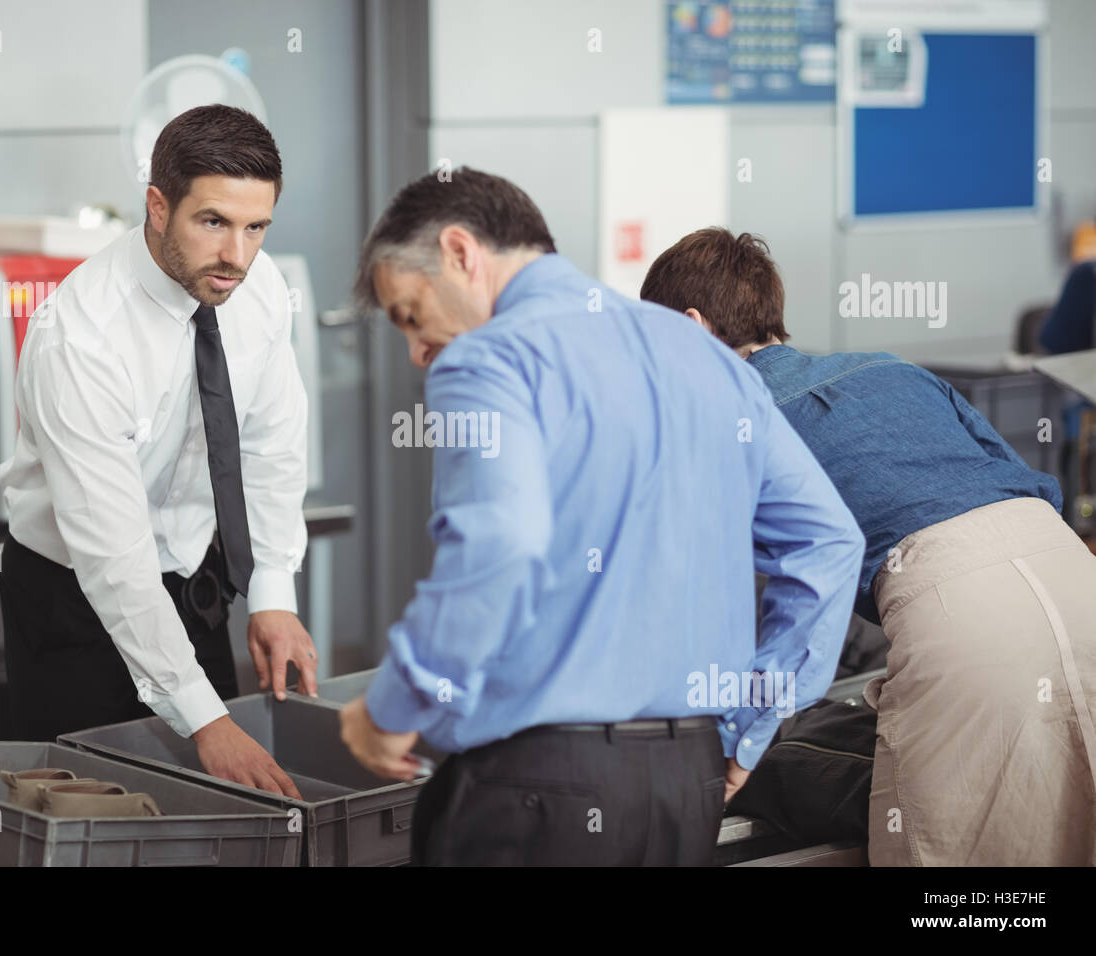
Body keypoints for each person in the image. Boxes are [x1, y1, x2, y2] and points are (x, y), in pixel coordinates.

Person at [338, 169, 864, 865]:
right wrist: (747, 729)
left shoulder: (491, 357)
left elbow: (500, 541)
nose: (417, 350)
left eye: (410, 313)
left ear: (461, 253)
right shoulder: (707, 358)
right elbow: (828, 543)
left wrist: (394, 708)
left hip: (534, 793)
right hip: (685, 786)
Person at [641, 226, 1096, 866]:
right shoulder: (893, 366)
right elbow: (1023, 484)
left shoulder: (726, 419)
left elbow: (705, 599)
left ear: (690, 328)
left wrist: (736, 743)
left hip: (966, 625)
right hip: (1076, 576)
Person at [0, 105, 316, 798]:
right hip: (73, 600)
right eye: (213, 222)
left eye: (255, 227)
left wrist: (271, 592)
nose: (238, 255)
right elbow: (113, 557)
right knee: (89, 814)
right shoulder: (80, 338)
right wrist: (206, 720)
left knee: (217, 809)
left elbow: (271, 445)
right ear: (157, 205)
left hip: (194, 581)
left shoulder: (255, 292)